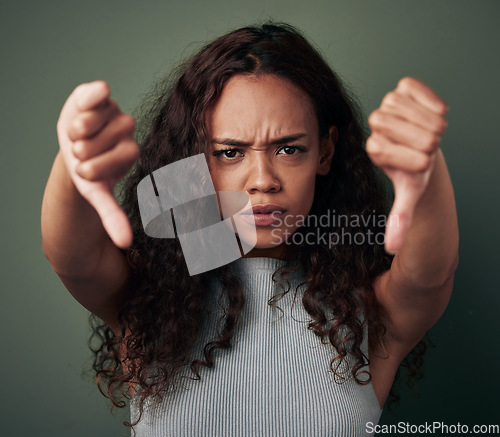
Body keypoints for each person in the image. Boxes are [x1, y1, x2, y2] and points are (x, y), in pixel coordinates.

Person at [41, 22, 458, 436]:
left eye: (289, 149)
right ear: (196, 163)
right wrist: (71, 168)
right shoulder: (154, 300)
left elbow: (429, 274)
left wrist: (427, 169)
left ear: (325, 152)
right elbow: (75, 260)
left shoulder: (368, 310)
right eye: (230, 152)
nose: (262, 179)